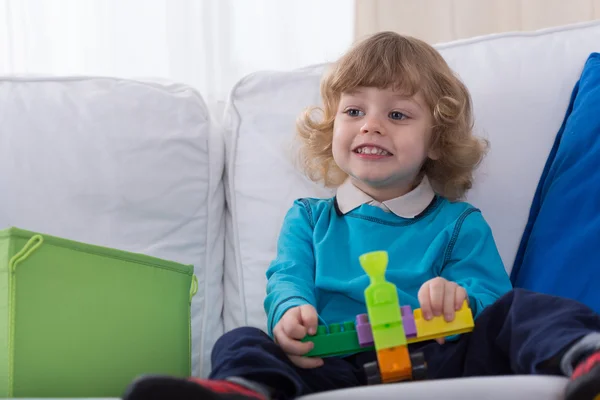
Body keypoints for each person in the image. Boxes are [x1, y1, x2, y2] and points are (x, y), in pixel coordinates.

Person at [123, 32, 600, 400]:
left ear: (435, 142)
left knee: (523, 310)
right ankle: (245, 389)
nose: (371, 123)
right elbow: (286, 277)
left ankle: (584, 356)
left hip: (441, 353)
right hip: (333, 361)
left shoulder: (458, 223)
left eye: (398, 115)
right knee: (244, 339)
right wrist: (290, 314)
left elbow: (493, 298)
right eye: (355, 109)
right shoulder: (309, 219)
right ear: (333, 129)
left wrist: (459, 298)